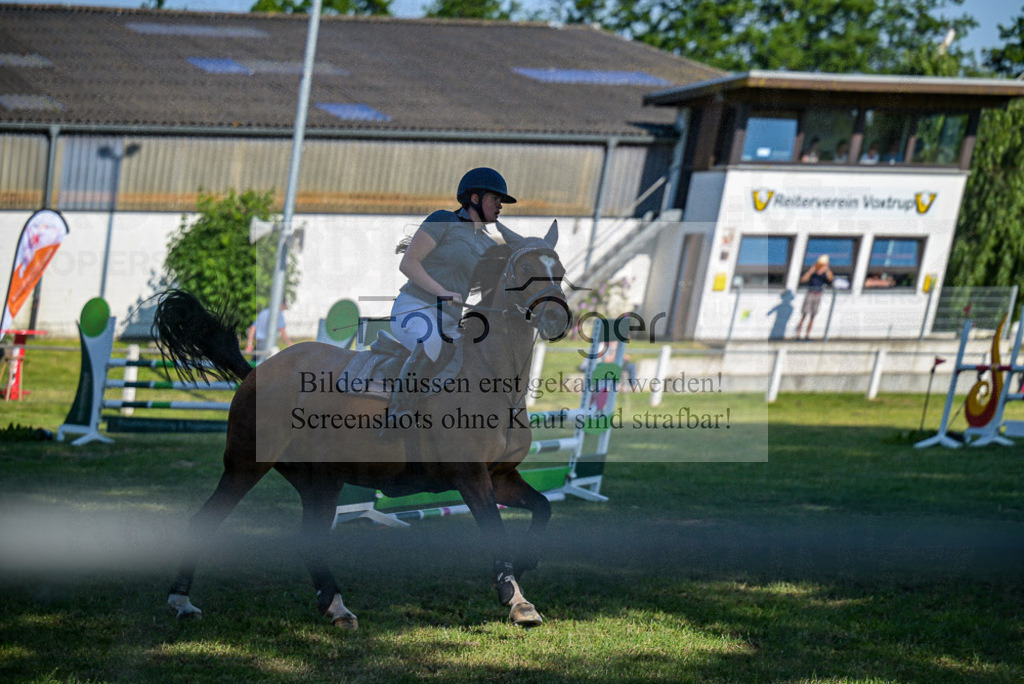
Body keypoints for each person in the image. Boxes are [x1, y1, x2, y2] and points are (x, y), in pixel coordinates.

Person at [386, 167, 515, 428]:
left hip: (452, 322)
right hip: (414, 308)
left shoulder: (491, 246)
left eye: (501, 202)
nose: (500, 206)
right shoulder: (443, 219)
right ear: (475, 198)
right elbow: (409, 264)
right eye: (495, 199)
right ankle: (398, 415)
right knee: (431, 345)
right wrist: (442, 292)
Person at [796, 255, 834, 340]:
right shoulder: (813, 272)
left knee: (813, 316)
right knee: (804, 314)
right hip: (810, 293)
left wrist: (827, 270)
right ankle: (798, 334)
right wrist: (811, 271)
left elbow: (831, 279)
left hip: (818, 294)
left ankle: (807, 335)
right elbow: (803, 279)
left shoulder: (825, 273)